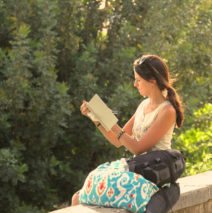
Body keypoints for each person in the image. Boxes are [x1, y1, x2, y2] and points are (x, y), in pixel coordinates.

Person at [72, 54, 184, 212]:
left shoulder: (167, 111)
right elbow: (118, 140)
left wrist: (110, 121)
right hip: (136, 169)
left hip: (154, 173)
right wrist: (96, 118)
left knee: (86, 191)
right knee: (78, 197)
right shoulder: (143, 105)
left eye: (138, 80)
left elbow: (137, 148)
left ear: (152, 80)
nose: (135, 84)